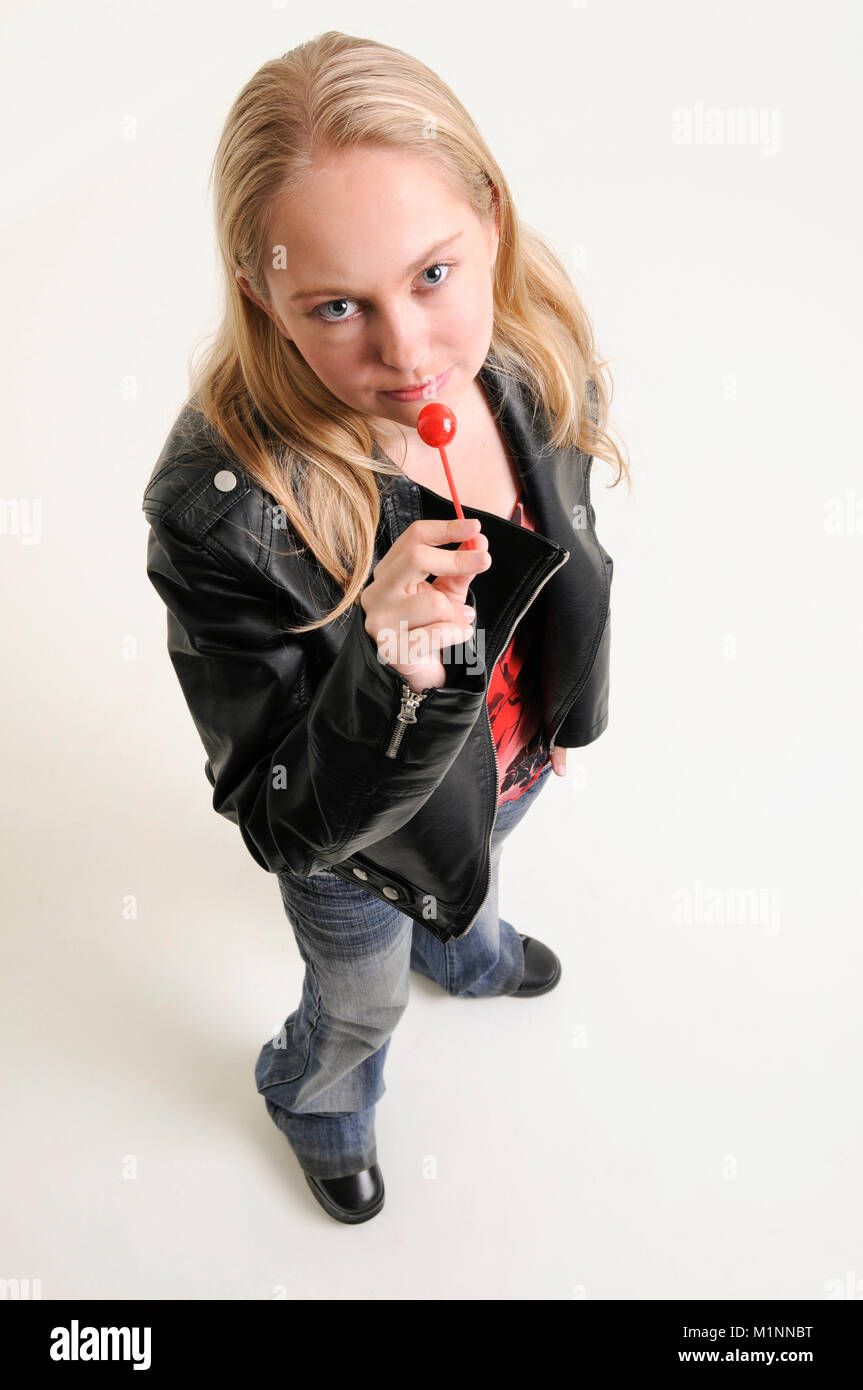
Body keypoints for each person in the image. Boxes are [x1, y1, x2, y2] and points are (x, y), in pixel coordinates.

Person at [141, 31, 628, 1225]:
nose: (406, 353)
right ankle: (315, 1096)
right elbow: (278, 819)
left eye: (431, 275)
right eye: (336, 305)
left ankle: (459, 939)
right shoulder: (225, 513)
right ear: (261, 293)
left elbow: (575, 549)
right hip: (361, 837)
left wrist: (565, 712)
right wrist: (394, 671)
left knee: (485, 854)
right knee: (359, 995)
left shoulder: (528, 358)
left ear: (491, 223)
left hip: (498, 771)